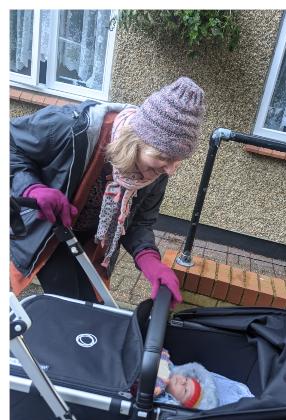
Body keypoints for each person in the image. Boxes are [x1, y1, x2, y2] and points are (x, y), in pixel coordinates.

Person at [10, 77, 206, 307]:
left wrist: (149, 259)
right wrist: (32, 187)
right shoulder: (72, 128)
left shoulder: (154, 172)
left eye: (178, 160)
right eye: (164, 157)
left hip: (87, 241)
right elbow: (10, 143)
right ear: (136, 141)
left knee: (95, 309)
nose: (170, 170)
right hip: (45, 229)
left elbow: (140, 222)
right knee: (75, 313)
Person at [153, 349, 254, 410]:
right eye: (187, 380)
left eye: (185, 390)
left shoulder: (164, 401)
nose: (183, 381)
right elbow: (159, 353)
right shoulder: (170, 368)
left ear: (179, 403)